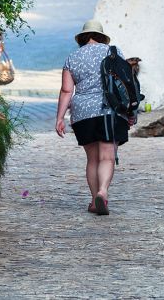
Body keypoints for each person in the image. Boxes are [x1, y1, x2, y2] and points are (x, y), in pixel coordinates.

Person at [55, 19, 128, 216]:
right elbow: (124, 81)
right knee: (107, 156)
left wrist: (60, 118)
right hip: (109, 110)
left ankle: (94, 199)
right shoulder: (112, 52)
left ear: (83, 38)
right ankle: (103, 192)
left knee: (92, 159)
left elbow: (66, 90)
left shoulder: (72, 57)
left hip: (82, 113)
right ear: (102, 37)